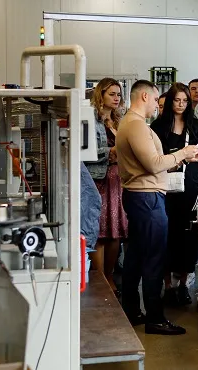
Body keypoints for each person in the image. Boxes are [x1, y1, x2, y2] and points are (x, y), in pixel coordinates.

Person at [116, 79, 198, 335]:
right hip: (147, 198)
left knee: (135, 256)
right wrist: (183, 153)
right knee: (154, 259)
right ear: (144, 97)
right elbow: (153, 164)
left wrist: (180, 160)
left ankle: (132, 309)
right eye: (155, 100)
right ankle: (155, 318)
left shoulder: (133, 124)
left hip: (142, 196)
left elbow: (155, 163)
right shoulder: (136, 125)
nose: (157, 105)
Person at [151, 83, 198, 306]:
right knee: (166, 235)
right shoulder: (158, 127)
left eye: (185, 101)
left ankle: (184, 284)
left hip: (191, 187)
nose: (181, 105)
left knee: (188, 237)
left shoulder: (195, 125)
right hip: (164, 187)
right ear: (169, 102)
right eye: (177, 100)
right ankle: (167, 285)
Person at [85, 78, 126, 295]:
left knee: (115, 231)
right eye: (112, 94)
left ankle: (109, 275)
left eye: (119, 94)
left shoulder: (119, 121)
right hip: (98, 179)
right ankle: (100, 278)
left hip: (118, 181)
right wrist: (109, 153)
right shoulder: (90, 119)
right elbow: (84, 152)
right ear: (100, 94)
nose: (116, 98)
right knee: (99, 231)